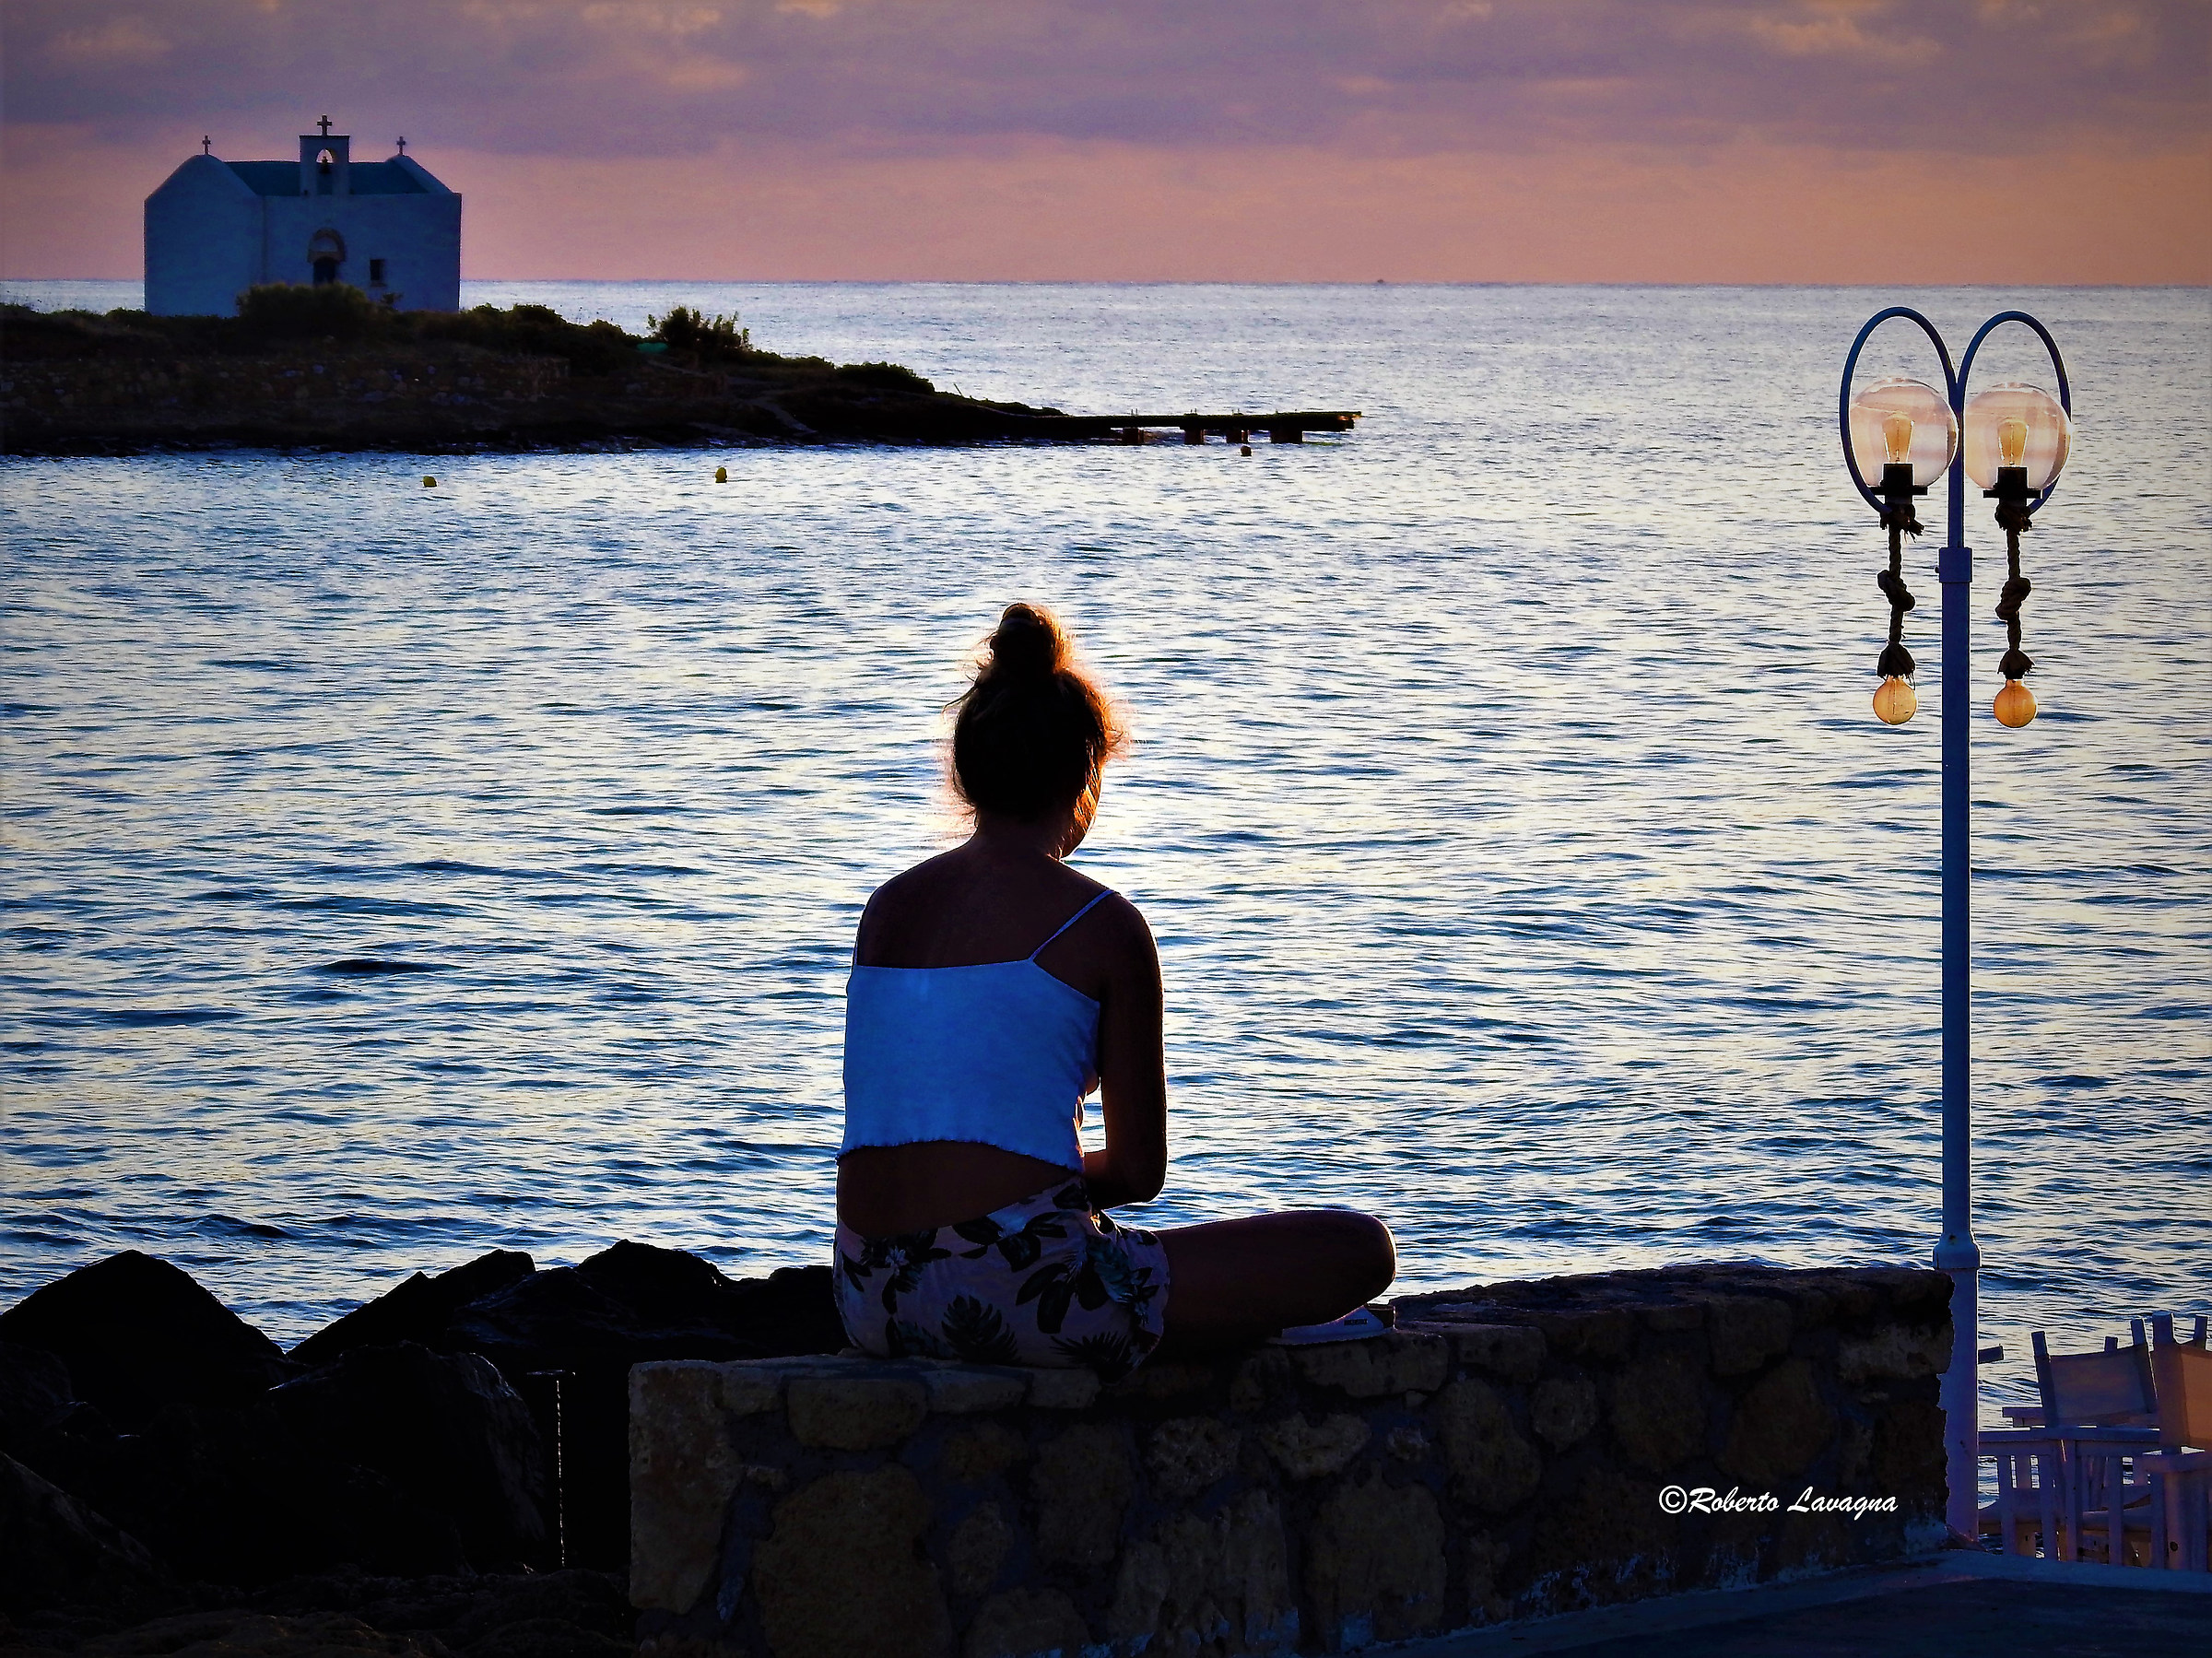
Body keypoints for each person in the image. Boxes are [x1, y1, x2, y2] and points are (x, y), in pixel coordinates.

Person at [835, 602, 1395, 1379]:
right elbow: (1138, 1173)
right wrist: (1037, 1183)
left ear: (966, 771)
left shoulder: (885, 909)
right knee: (1358, 1247)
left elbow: (904, 1131)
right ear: (1086, 773)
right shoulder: (1104, 925)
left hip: (871, 1297)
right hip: (1023, 1298)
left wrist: (1012, 1177)